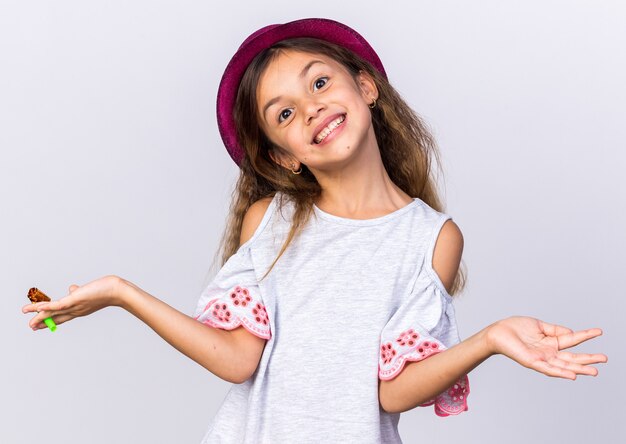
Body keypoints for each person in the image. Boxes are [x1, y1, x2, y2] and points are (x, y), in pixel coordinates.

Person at [22, 18, 608, 444]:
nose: (309, 108)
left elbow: (390, 392)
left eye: (319, 82)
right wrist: (124, 293)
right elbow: (236, 361)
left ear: (366, 87)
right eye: (282, 113)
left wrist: (489, 340)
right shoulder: (268, 222)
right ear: (283, 158)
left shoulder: (432, 237)